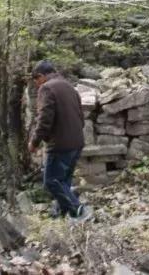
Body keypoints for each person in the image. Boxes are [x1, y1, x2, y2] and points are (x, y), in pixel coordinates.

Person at [28, 60, 92, 222]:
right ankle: (63, 216)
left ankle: (79, 210)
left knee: (51, 181)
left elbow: (44, 120)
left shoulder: (47, 88)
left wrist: (34, 142)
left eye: (36, 79)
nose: (36, 83)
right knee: (64, 182)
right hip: (77, 142)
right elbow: (80, 116)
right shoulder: (69, 86)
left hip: (60, 144)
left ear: (41, 76)